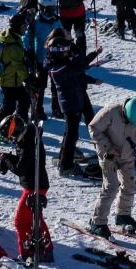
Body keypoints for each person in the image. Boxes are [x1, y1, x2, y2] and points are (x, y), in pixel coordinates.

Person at [88, 96, 136, 237]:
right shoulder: (111, 112)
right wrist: (107, 147)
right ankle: (97, 222)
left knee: (129, 185)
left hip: (127, 155)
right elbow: (93, 128)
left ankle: (123, 215)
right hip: (109, 155)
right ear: (124, 112)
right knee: (111, 186)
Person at [9, 107, 54, 263]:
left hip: (34, 186)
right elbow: (25, 163)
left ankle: (27, 253)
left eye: (12, 136)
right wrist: (7, 158)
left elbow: (21, 168)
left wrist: (5, 159)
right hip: (36, 184)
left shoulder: (27, 143)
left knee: (21, 221)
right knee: (35, 217)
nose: (12, 140)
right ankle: (45, 250)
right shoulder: (30, 137)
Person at [46, 31, 94, 175]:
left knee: (70, 134)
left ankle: (64, 159)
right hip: (70, 105)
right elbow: (78, 67)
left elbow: (78, 66)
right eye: (66, 52)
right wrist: (89, 60)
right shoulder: (58, 68)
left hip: (73, 103)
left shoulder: (61, 64)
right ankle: (66, 165)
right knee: (71, 135)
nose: (68, 54)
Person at [0, 26, 31, 139]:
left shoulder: (11, 38)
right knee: (9, 107)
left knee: (24, 100)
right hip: (9, 81)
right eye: (23, 26)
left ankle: (19, 125)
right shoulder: (13, 46)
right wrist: (27, 79)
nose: (24, 28)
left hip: (11, 80)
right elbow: (18, 66)